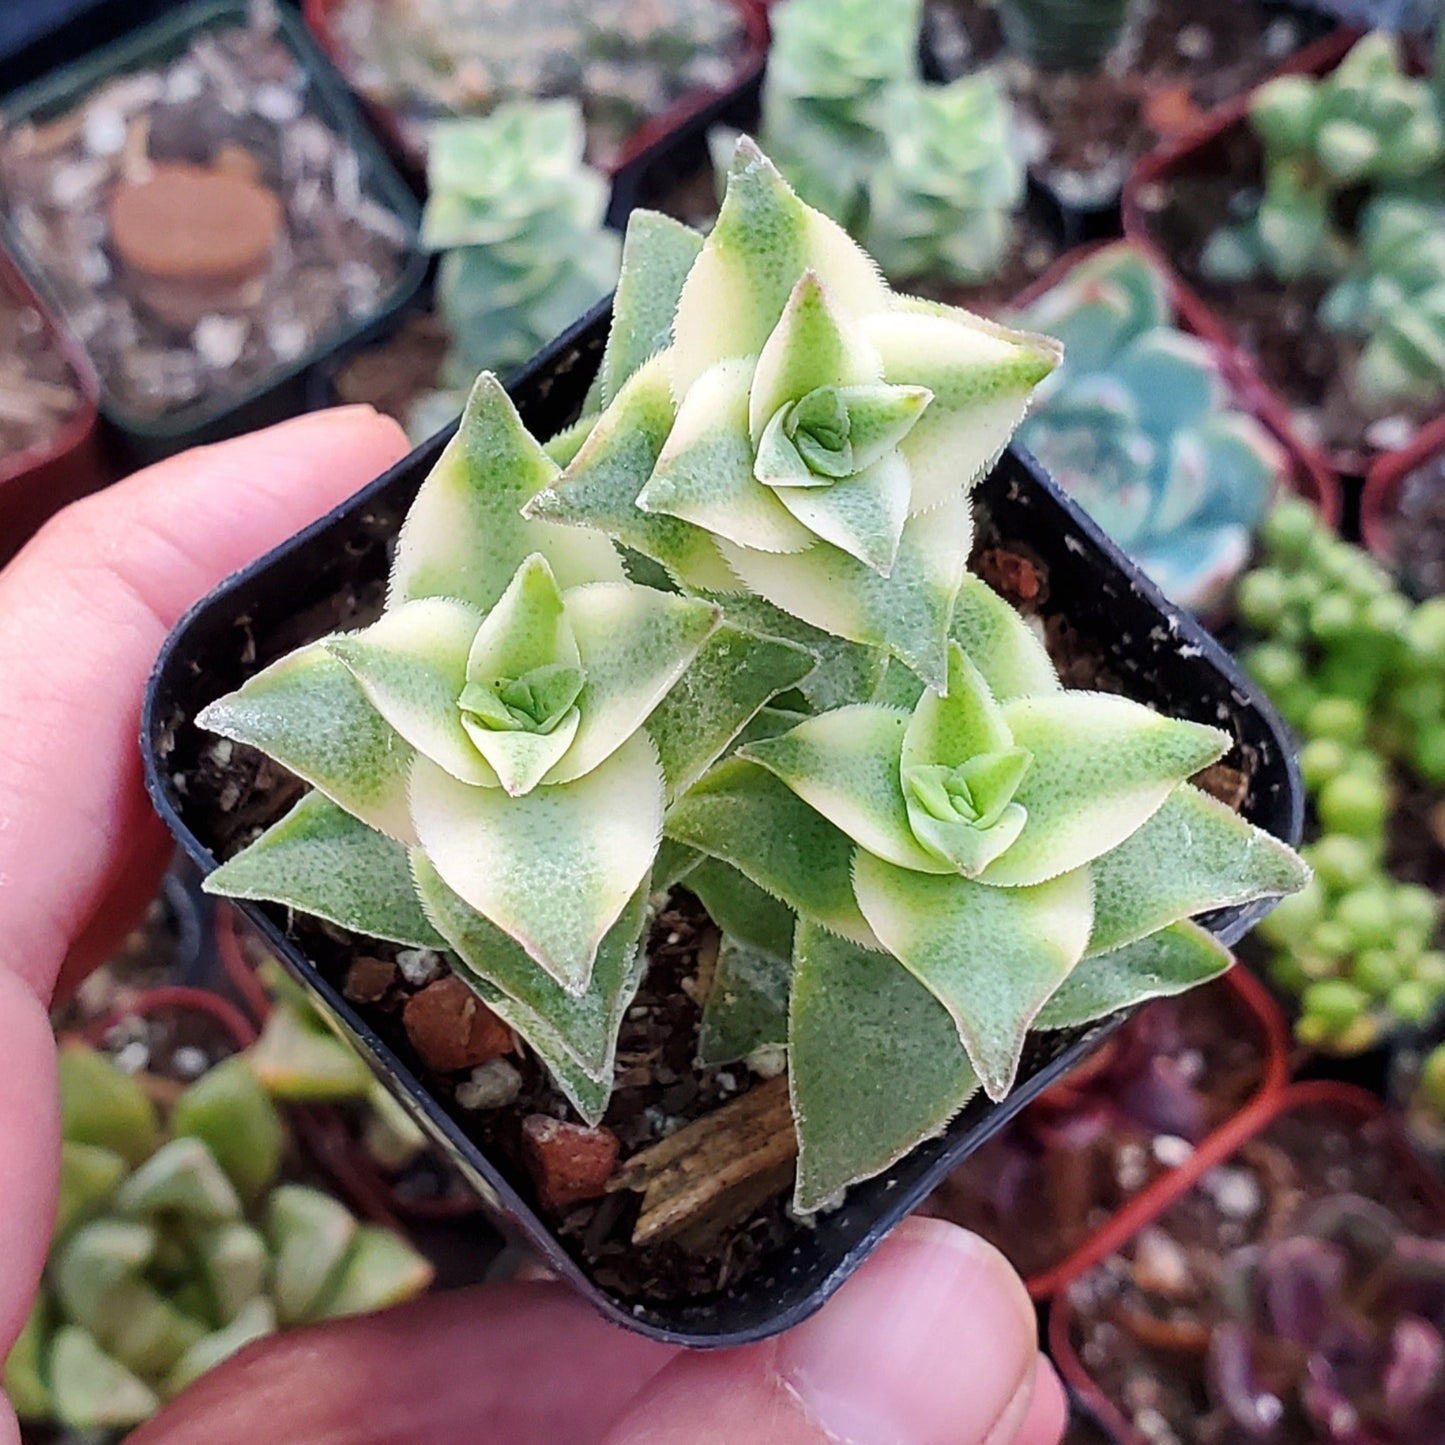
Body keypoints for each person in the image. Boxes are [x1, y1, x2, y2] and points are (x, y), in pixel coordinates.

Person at [0, 408, 1067, 1445]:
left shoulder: (673, 644)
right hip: (518, 800)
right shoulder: (435, 679)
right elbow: (448, 606)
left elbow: (713, 668)